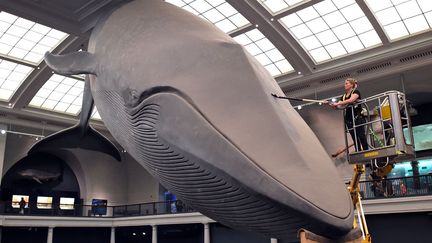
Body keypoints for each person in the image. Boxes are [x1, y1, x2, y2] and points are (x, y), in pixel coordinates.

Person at [330, 78, 369, 152]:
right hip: (349, 120)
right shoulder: (344, 96)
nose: (345, 85)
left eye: (346, 83)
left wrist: (338, 103)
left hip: (358, 117)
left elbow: (351, 100)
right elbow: (338, 107)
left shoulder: (356, 92)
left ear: (351, 85)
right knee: (354, 137)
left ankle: (366, 151)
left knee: (361, 136)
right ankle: (358, 151)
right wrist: (330, 104)